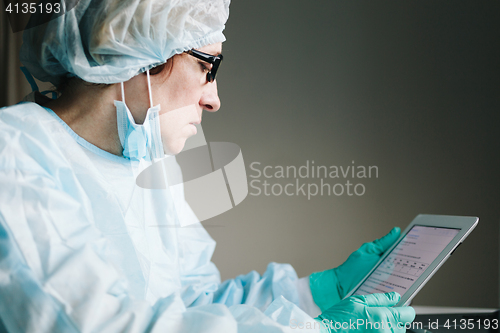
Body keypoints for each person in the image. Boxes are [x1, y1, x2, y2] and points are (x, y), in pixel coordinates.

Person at [0, 0, 415, 332]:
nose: (214, 99)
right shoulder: (14, 153)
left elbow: (196, 308)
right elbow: (88, 323)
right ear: (140, 51)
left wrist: (321, 294)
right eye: (207, 66)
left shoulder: (150, 169)